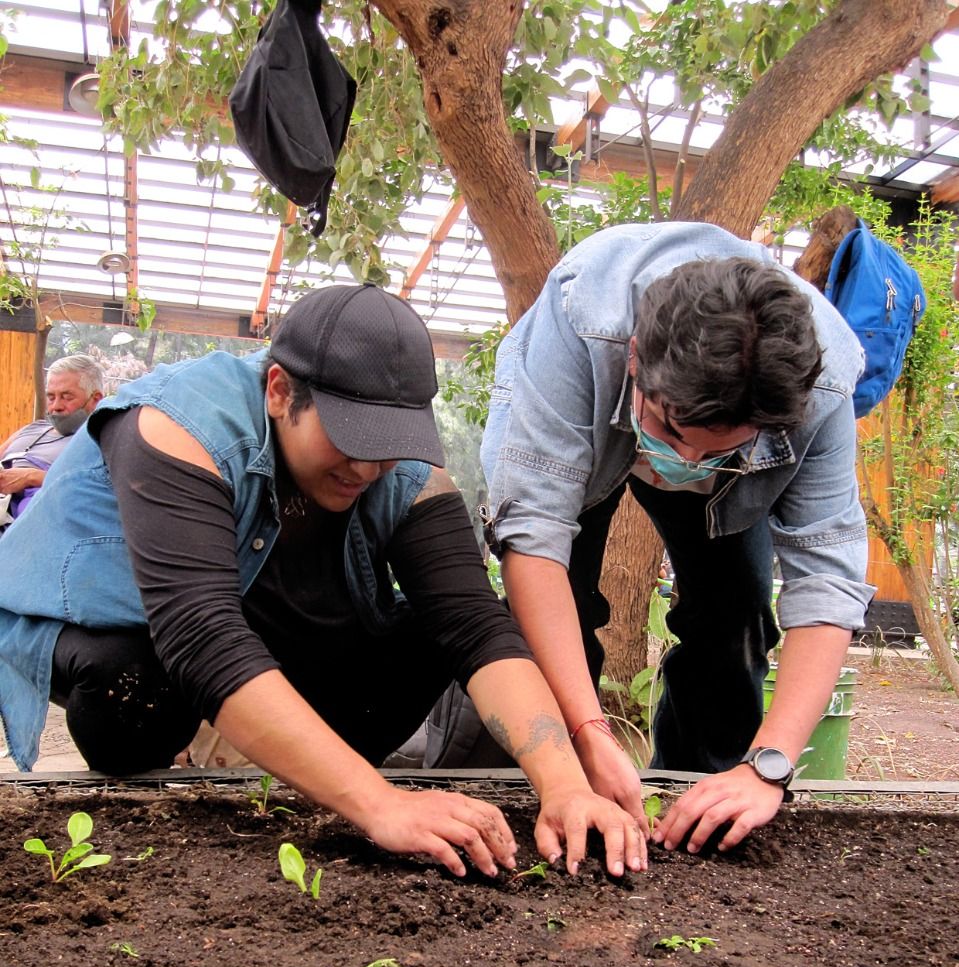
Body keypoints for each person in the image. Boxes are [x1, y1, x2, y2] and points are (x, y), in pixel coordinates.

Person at [0, 284, 645, 880]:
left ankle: (281, 755)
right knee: (134, 684)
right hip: (111, 626)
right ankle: (212, 744)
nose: (368, 465)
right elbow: (201, 636)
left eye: (387, 439)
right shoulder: (179, 426)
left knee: (431, 633)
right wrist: (380, 803)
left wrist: (563, 782)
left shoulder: (404, 472)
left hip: (261, 620)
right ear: (280, 391)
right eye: (349, 437)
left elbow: (478, 627)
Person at [481, 221, 874, 856]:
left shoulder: (819, 387)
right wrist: (586, 730)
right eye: (670, 430)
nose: (683, 458)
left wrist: (768, 767)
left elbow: (828, 577)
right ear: (635, 358)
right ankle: (543, 785)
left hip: (726, 455)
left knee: (734, 611)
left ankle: (707, 795)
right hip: (586, 419)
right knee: (559, 608)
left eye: (713, 449)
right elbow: (533, 535)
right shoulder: (583, 320)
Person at [0, 355, 104, 524]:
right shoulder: (32, 428)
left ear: (95, 399)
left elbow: (99, 489)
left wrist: (31, 477)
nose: (56, 406)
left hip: (32, 514)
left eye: (67, 397)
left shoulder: (100, 441)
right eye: (51, 397)